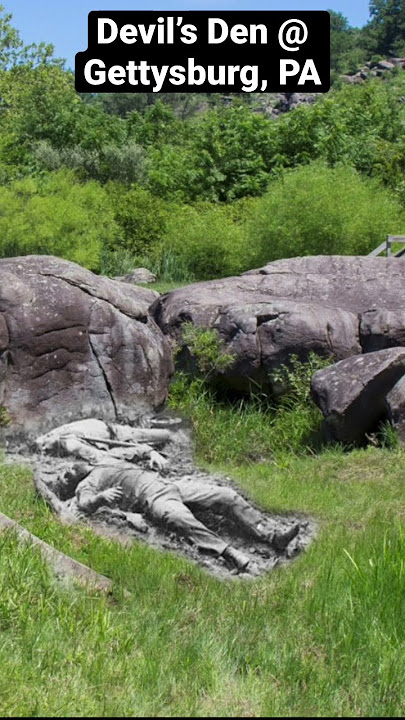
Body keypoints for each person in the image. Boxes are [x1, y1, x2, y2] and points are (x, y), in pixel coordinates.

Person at [36, 418, 300, 572]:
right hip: (154, 499)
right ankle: (234, 556)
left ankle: (272, 536)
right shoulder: (88, 484)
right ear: (72, 485)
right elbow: (84, 503)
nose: (68, 471)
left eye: (66, 470)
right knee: (179, 518)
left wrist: (151, 454)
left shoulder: (101, 458)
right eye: (65, 478)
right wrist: (101, 498)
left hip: (171, 484)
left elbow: (136, 450)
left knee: (225, 495)